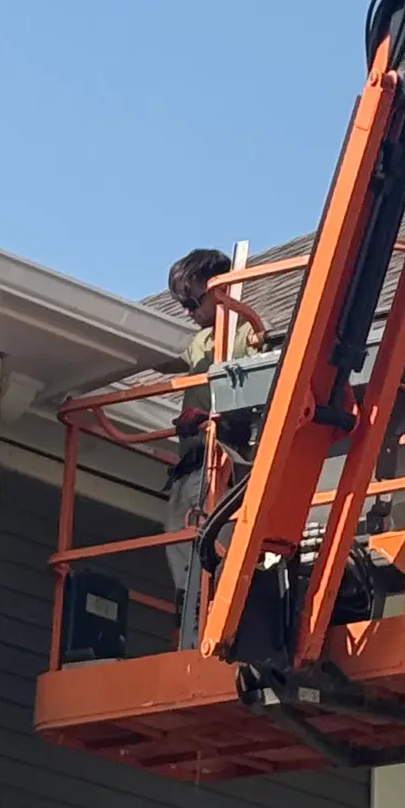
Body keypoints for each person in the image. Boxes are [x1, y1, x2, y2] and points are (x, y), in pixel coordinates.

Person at [164, 247, 231, 643]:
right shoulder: (201, 341)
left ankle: (210, 612)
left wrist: (210, 421)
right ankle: (191, 612)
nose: (188, 312)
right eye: (182, 305)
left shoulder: (246, 333)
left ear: (221, 288)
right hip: (191, 462)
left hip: (222, 461)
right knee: (176, 538)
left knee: (208, 539)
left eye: (192, 302)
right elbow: (168, 360)